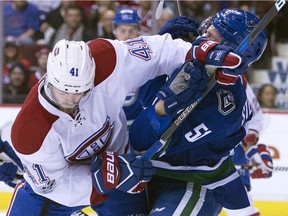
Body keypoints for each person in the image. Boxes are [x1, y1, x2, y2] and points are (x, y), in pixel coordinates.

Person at [7, 32, 193, 215]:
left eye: (80, 91)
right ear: (49, 80)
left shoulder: (106, 59)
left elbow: (158, 52)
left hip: (122, 166)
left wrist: (198, 53)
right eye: (63, 91)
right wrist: (106, 178)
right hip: (58, 189)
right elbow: (55, 185)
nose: (71, 99)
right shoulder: (28, 132)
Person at [128, 9, 268, 215]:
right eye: (206, 30)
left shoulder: (225, 106)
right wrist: (162, 47)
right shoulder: (195, 63)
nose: (201, 38)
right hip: (147, 172)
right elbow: (145, 102)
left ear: (230, 50)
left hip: (191, 180)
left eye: (210, 36)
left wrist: (166, 104)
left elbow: (149, 144)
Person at [224, 79, 273, 216]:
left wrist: (252, 149)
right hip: (181, 163)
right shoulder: (172, 65)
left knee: (243, 211)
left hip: (226, 162)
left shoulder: (236, 77)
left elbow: (254, 118)